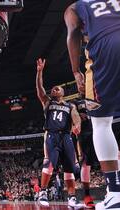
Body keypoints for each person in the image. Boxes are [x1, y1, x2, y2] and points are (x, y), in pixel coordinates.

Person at [65, 1, 120, 209]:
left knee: (102, 124)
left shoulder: (75, 7)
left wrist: (75, 71)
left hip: (106, 49)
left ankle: (115, 193)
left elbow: (72, 35)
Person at [35, 58, 84, 209]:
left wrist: (77, 125)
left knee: (69, 169)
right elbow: (40, 89)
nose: (55, 89)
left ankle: (72, 199)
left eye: (58, 88)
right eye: (53, 88)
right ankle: (43, 192)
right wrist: (39, 72)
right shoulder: (48, 102)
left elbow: (76, 119)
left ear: (63, 92)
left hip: (66, 136)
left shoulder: (70, 106)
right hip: (52, 135)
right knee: (49, 164)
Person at [72, 94, 97, 208]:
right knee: (86, 164)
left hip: (99, 128)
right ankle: (87, 195)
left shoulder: (96, 94)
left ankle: (112, 190)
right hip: (85, 134)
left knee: (110, 157)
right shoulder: (74, 103)